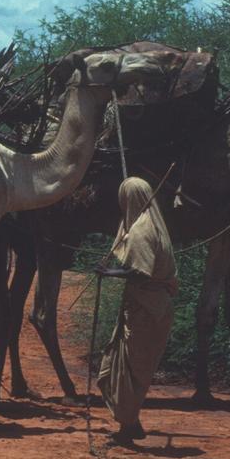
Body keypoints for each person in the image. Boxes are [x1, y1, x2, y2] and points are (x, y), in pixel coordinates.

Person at [96, 177, 179, 445]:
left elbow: (140, 273)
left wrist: (108, 272)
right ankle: (131, 422)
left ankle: (127, 428)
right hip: (150, 308)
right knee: (128, 365)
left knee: (131, 368)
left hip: (147, 310)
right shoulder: (148, 224)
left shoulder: (143, 229)